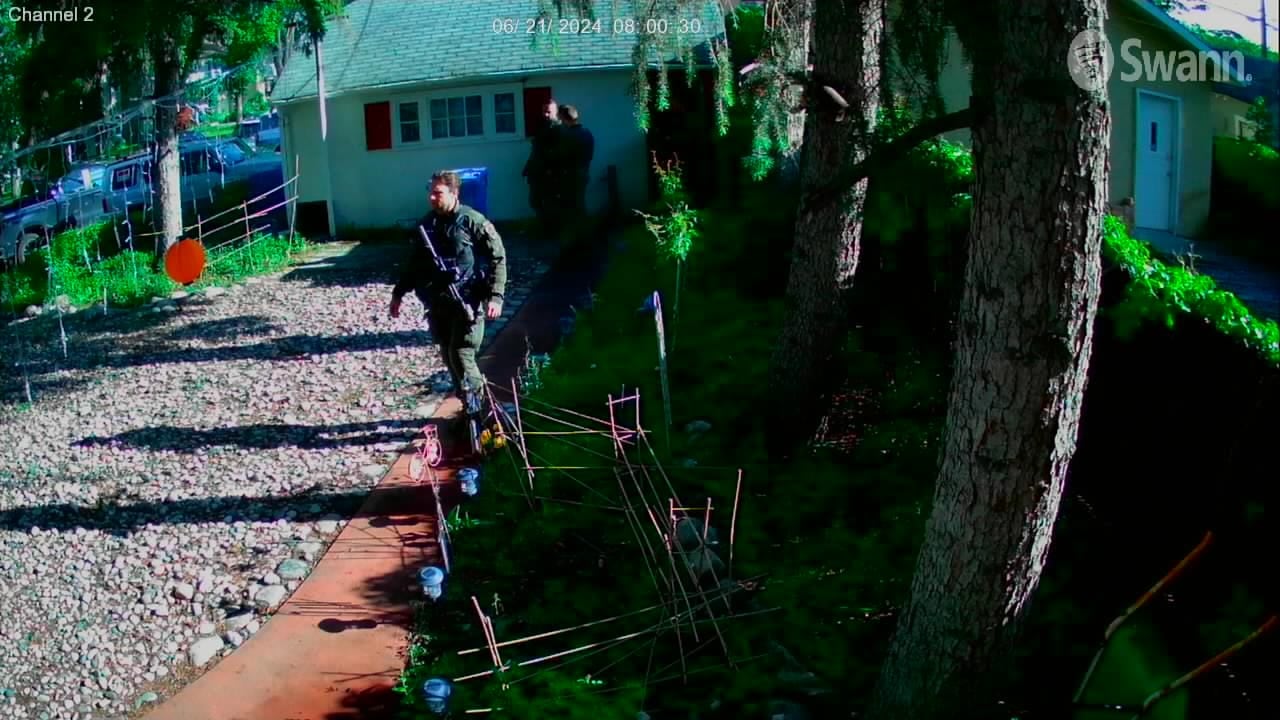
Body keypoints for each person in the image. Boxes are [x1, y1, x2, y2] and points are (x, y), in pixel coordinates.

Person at [390, 170, 508, 413]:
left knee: (461, 354)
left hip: (468, 302)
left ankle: (482, 411)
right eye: (430, 193)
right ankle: (467, 408)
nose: (432, 198)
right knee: (448, 356)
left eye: (438, 193)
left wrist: (495, 296)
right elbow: (414, 264)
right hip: (438, 303)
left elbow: (497, 257)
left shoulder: (472, 221)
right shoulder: (426, 225)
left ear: (454, 194)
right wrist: (398, 293)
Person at [522, 98, 564, 240]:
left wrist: (552, 170)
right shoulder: (542, 127)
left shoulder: (559, 129)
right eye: (543, 111)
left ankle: (553, 232)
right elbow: (536, 151)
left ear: (555, 112)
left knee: (551, 204)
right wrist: (528, 167)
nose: (545, 114)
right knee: (535, 201)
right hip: (536, 172)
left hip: (550, 174)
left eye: (548, 112)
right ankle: (545, 228)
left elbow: (558, 154)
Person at [557, 104, 594, 218]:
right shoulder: (587, 133)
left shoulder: (567, 136)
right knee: (580, 202)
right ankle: (583, 230)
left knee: (573, 206)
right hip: (583, 171)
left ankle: (579, 231)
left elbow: (561, 156)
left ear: (563, 118)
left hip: (570, 174)